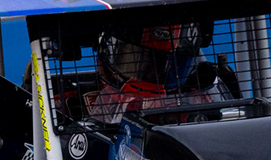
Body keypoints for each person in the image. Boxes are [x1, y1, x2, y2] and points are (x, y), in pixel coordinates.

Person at [82, 21, 238, 120]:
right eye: (134, 61)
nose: (148, 72)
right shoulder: (76, 101)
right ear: (107, 51)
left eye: (161, 66)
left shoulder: (198, 97)